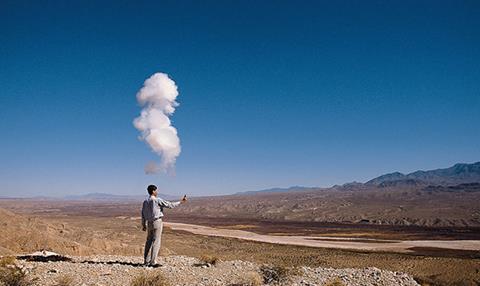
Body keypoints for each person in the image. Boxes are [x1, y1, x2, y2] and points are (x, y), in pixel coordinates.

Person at [141, 184, 186, 266]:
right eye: (156, 190)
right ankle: (153, 262)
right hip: (157, 222)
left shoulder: (145, 202)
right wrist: (181, 202)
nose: (157, 192)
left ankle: (146, 261)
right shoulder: (157, 200)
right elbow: (170, 205)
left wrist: (143, 224)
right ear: (153, 191)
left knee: (148, 242)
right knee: (156, 241)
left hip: (149, 223)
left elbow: (143, 214)